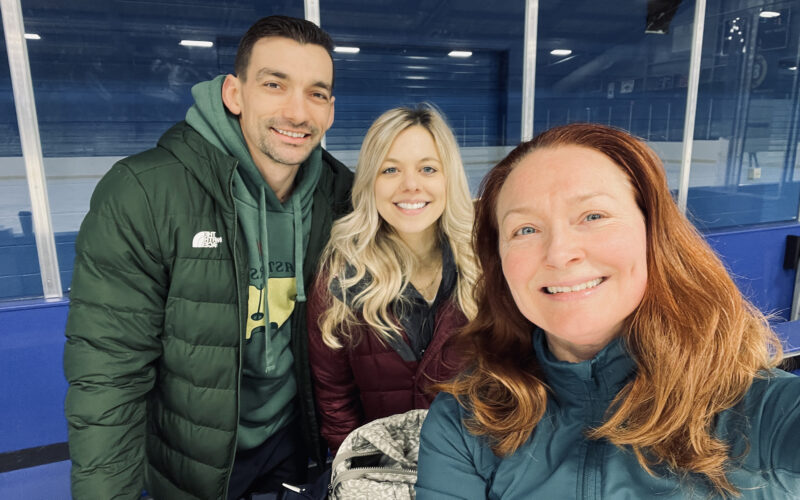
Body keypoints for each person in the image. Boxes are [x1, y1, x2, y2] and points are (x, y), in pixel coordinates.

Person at [416, 123, 800, 499]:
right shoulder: (465, 420)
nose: (560, 253)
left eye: (593, 216)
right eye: (526, 230)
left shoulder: (762, 410)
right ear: (498, 263)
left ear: (655, 235)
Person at [63, 16, 354, 500]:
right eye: (274, 84)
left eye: (317, 93)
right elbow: (109, 373)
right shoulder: (145, 193)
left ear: (330, 110)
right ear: (234, 94)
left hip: (296, 444)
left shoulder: (342, 195)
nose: (297, 112)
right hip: (190, 462)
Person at [306, 105, 478, 453]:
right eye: (390, 169)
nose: (410, 185)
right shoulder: (340, 277)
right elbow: (335, 398)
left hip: (476, 472)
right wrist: (363, 471)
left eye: (428, 168)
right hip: (383, 476)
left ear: (450, 177)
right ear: (371, 180)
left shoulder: (485, 265)